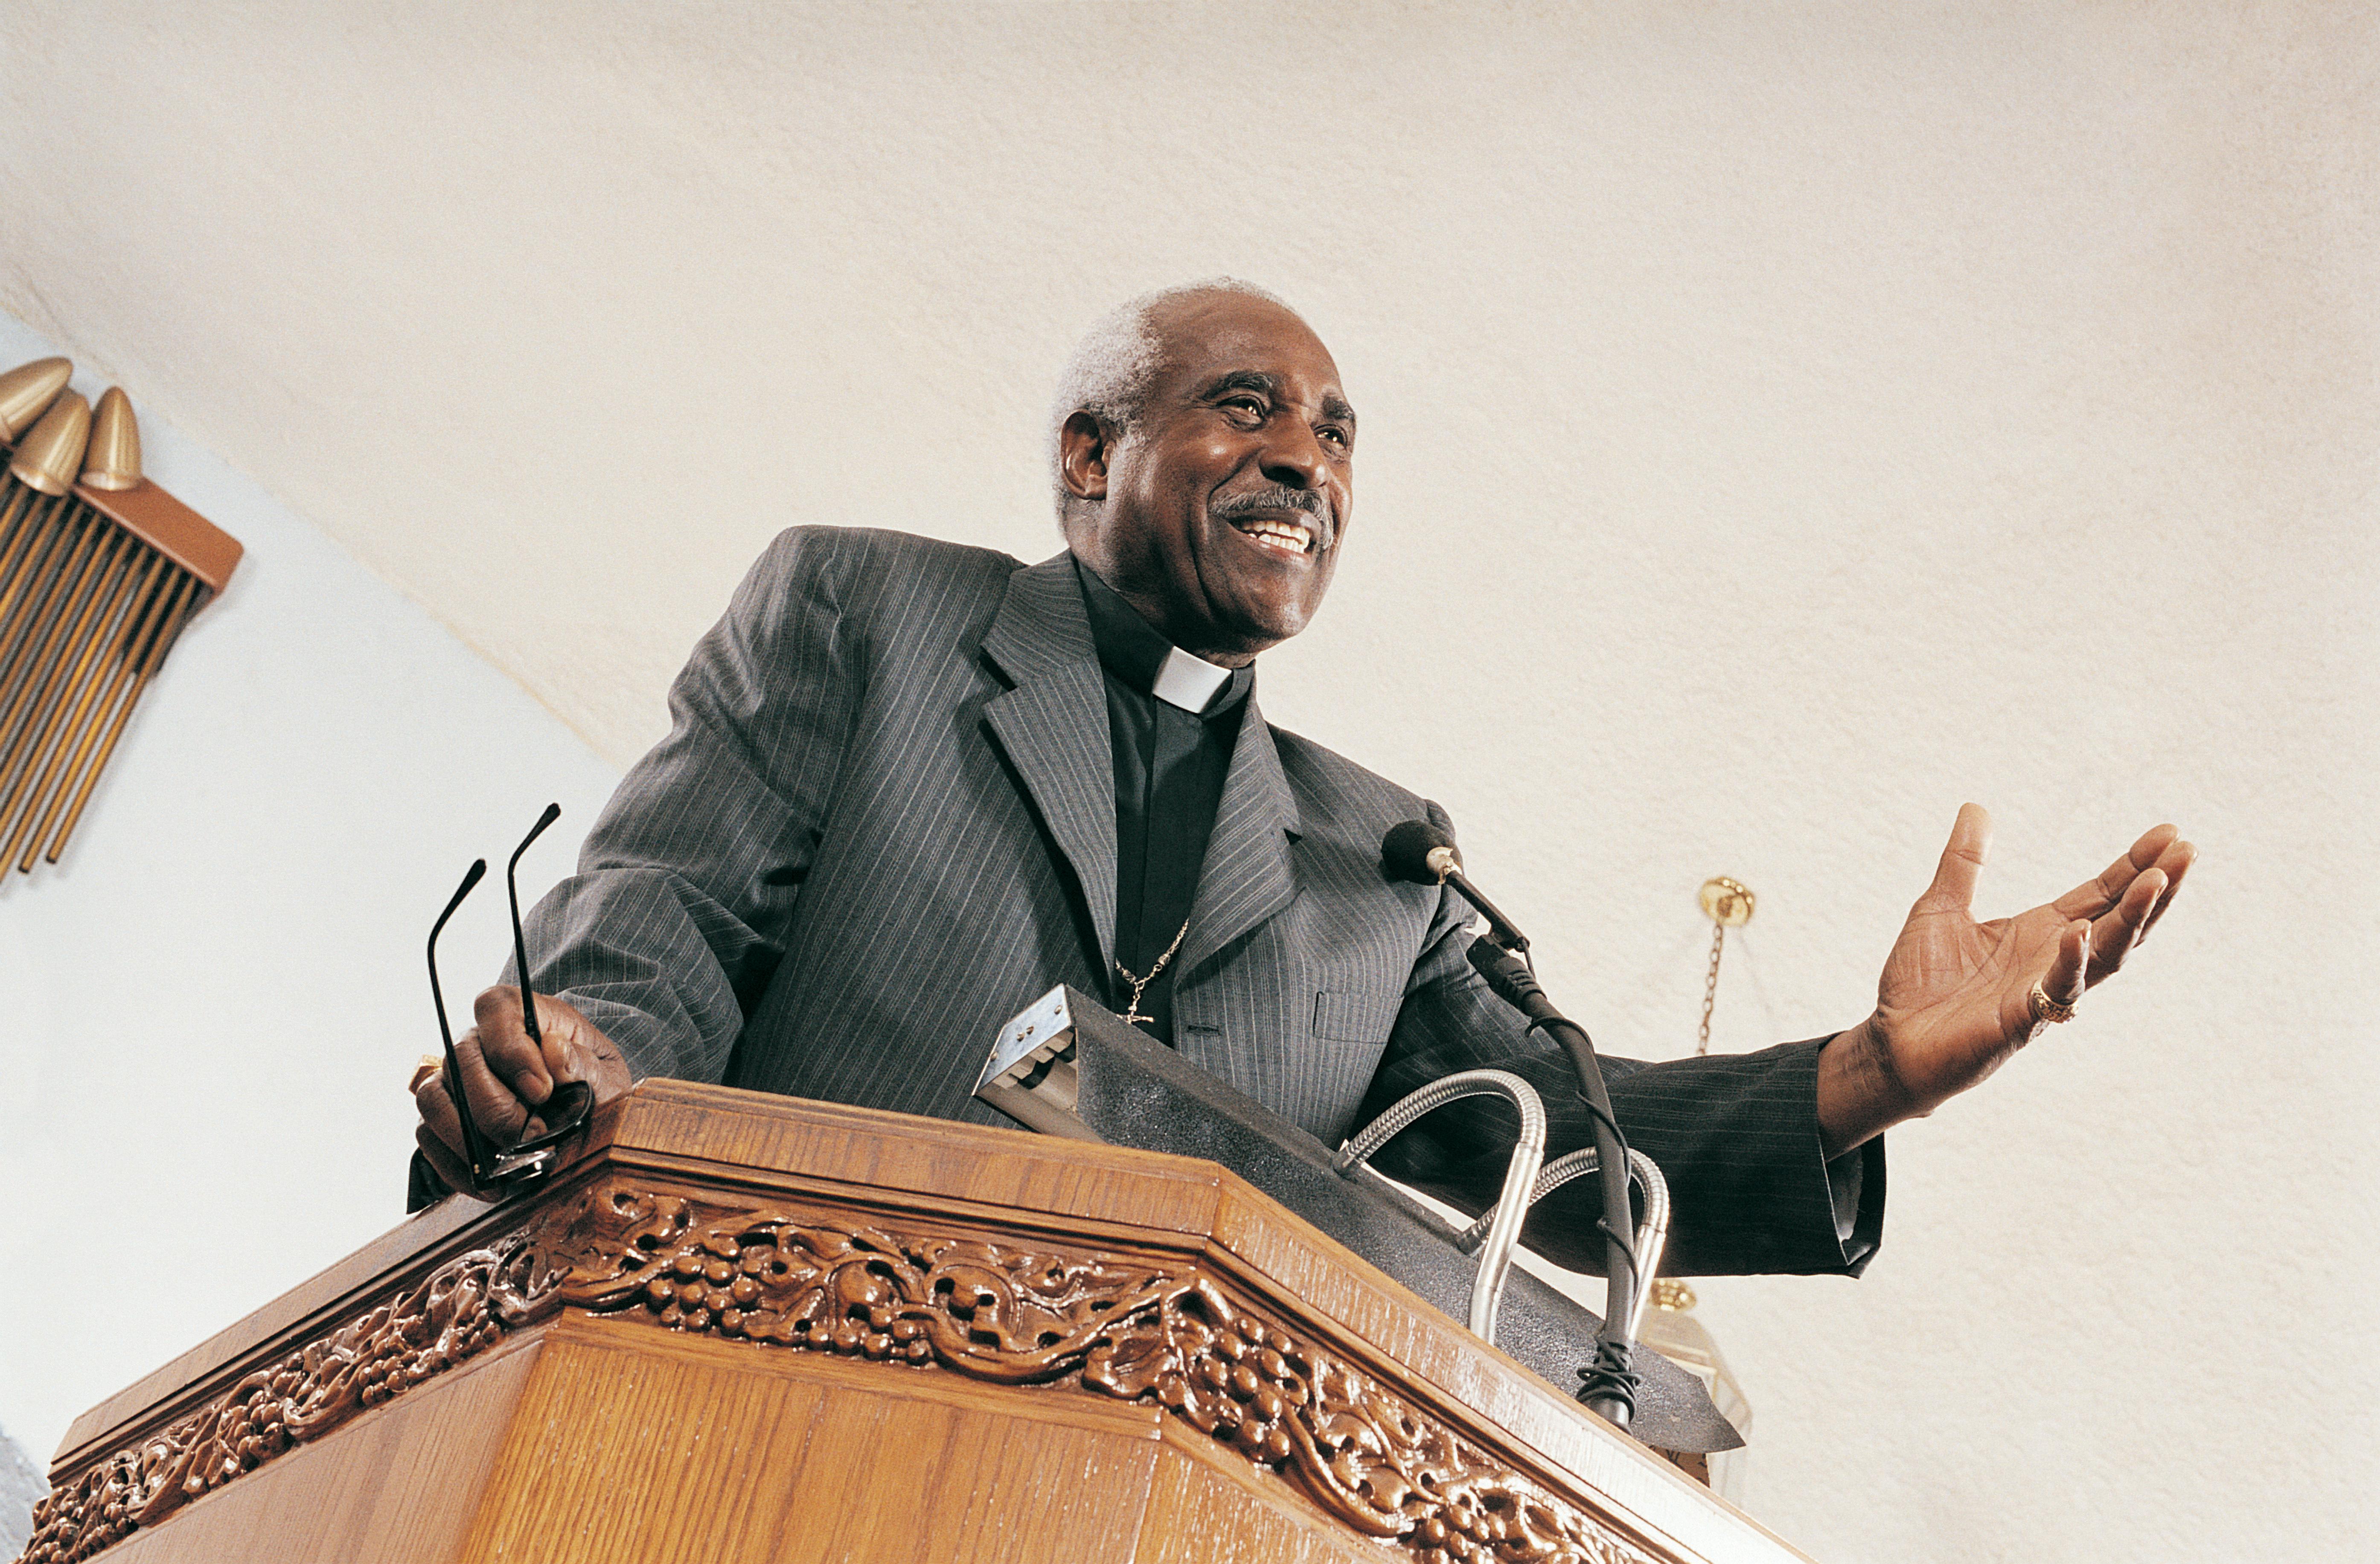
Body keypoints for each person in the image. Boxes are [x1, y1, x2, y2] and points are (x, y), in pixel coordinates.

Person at [413, 280, 2191, 1278]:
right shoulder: (863, 608)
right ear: (1088, 452)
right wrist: (584, 1055)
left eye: (1339, 433)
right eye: (1247, 403)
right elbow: (666, 910)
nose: (1306, 458)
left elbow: (1549, 1142)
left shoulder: (1379, 853)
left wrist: (1868, 1074)